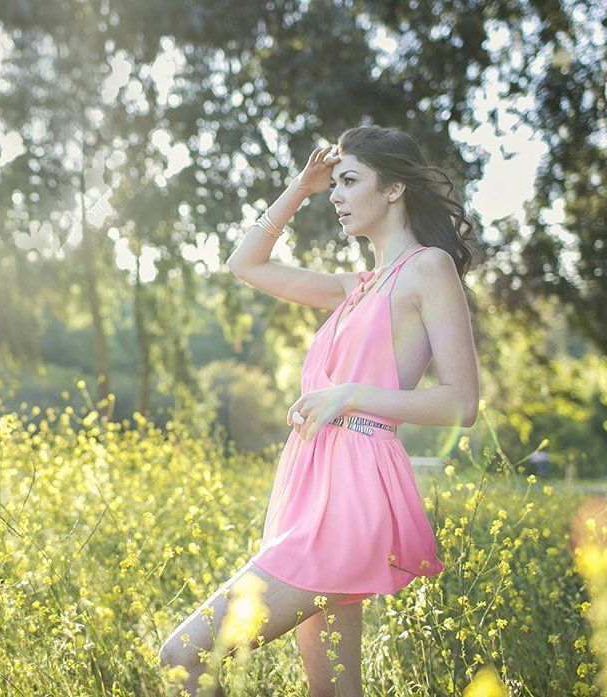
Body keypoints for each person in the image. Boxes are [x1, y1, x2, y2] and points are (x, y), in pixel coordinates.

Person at [158, 125, 480, 696]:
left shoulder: (428, 269)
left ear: (394, 189)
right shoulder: (354, 286)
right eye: (333, 184)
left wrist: (349, 394)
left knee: (184, 653)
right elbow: (245, 263)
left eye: (349, 181)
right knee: (332, 691)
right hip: (310, 484)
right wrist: (298, 188)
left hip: (354, 490)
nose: (335, 195)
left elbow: (461, 403)